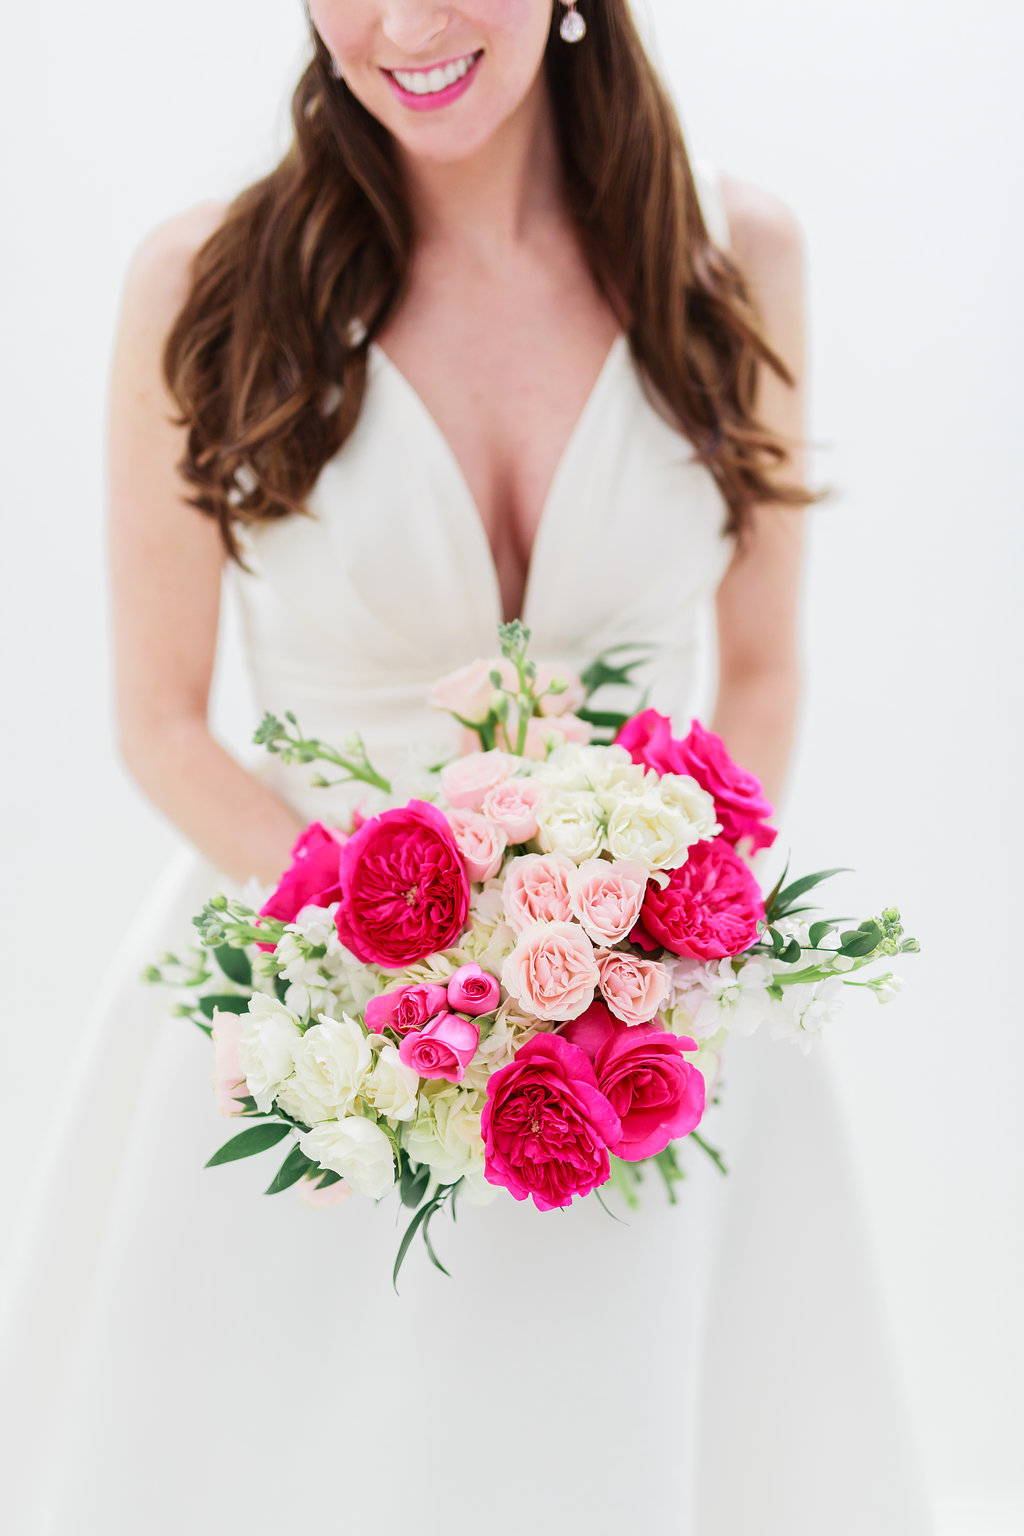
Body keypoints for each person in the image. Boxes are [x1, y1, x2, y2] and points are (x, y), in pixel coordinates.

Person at [0, 3, 935, 1532]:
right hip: (317, 1013)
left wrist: (660, 932)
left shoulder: (734, 257)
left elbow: (762, 669)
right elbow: (157, 719)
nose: (409, 23)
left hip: (650, 1019)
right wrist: (409, 954)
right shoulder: (202, 283)